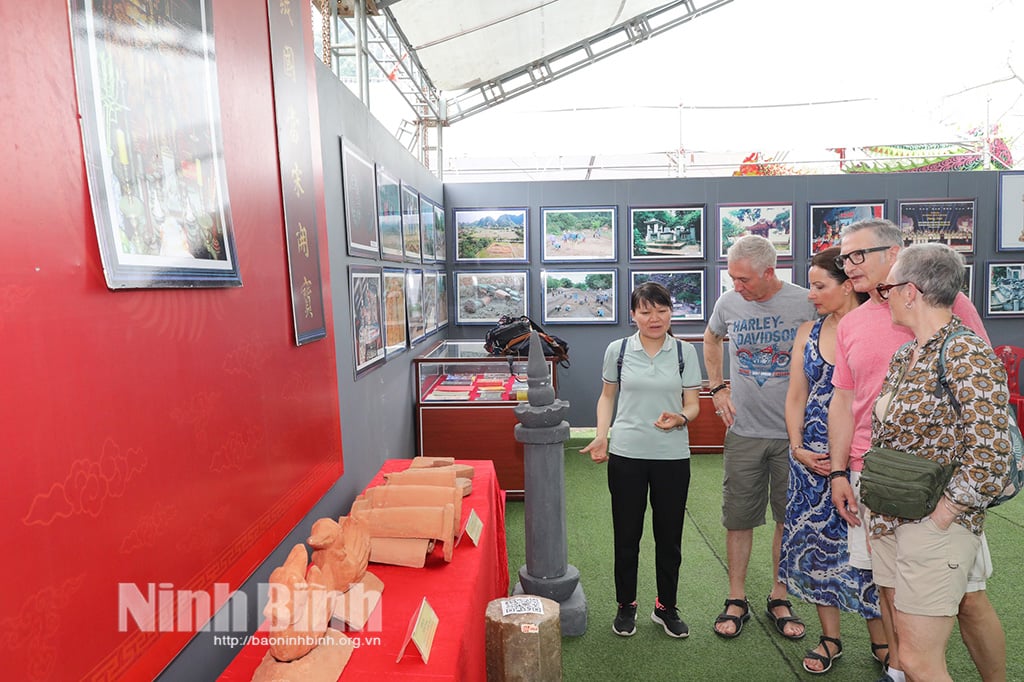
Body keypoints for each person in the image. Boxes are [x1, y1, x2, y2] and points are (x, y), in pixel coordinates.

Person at [827, 219, 1007, 682]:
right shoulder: (910, 353)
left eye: (856, 257)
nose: (850, 269)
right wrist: (846, 473)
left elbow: (991, 451)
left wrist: (946, 511)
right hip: (891, 508)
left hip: (934, 515)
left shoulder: (963, 349)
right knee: (908, 654)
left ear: (909, 289)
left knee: (924, 656)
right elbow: (859, 409)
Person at [704, 235, 817, 640]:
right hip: (744, 432)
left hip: (794, 436)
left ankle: (779, 595)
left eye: (744, 279)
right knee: (738, 519)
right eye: (732, 278)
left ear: (770, 272)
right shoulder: (728, 303)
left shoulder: (807, 302)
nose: (737, 286)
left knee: (787, 520)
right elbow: (712, 337)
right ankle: (737, 597)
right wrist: (717, 388)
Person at [779, 247, 885, 674]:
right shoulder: (808, 330)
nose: (811, 294)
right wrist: (797, 446)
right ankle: (830, 639)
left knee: (873, 552)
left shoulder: (881, 326)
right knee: (818, 550)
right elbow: (796, 396)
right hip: (812, 462)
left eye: (820, 286)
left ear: (848, 285)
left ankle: (883, 642)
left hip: (864, 459)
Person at [581, 282, 702, 639]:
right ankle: (626, 605)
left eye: (662, 310)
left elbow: (693, 404)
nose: (655, 318)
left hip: (672, 456)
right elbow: (607, 397)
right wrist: (602, 433)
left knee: (669, 538)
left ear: (670, 312)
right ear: (633, 315)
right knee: (627, 535)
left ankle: (666, 606)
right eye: (646, 311)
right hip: (627, 454)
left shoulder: (684, 352)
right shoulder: (618, 350)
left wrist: (681, 417)